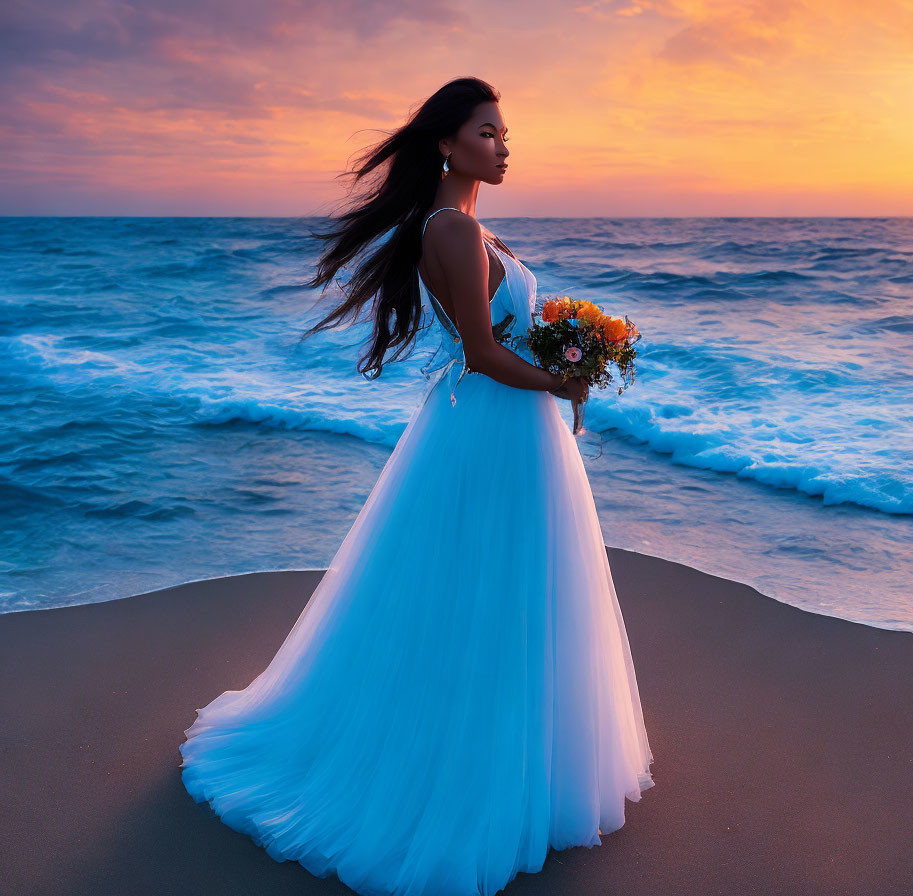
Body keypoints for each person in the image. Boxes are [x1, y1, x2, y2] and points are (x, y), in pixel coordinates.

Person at [178, 76, 655, 896]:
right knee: (484, 593)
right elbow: (480, 351)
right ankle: (458, 779)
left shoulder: (465, 226)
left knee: (500, 592)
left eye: (506, 134)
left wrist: (562, 354)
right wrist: (562, 382)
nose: (503, 146)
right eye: (487, 133)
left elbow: (499, 339)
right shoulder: (454, 231)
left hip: (494, 427)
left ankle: (510, 762)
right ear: (446, 142)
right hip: (493, 426)